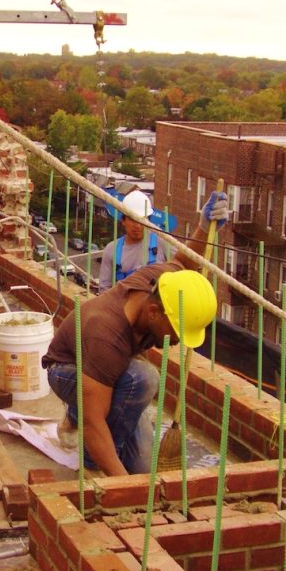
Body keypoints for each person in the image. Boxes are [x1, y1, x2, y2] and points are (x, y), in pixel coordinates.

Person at [43, 191, 229, 476]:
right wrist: (125, 491)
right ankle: (91, 461)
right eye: (177, 330)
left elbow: (187, 261)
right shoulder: (106, 335)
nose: (177, 340)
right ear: (154, 312)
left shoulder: (158, 281)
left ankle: (109, 431)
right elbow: (94, 424)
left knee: (142, 468)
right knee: (142, 379)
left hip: (109, 364)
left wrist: (205, 226)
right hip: (66, 368)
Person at [98, 190, 167, 293]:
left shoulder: (162, 242)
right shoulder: (112, 250)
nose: (137, 226)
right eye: (132, 220)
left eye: (142, 219)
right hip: (125, 306)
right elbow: (104, 289)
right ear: (123, 221)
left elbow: (182, 265)